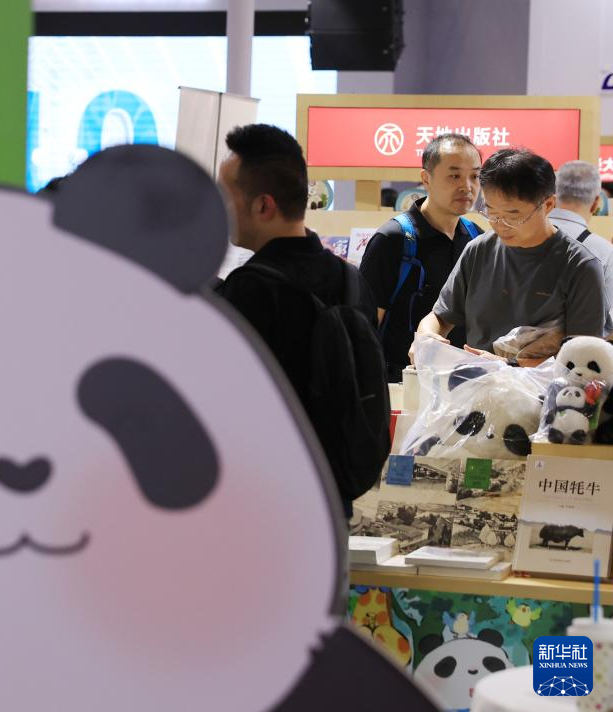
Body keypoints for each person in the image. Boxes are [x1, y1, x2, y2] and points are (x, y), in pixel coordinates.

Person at [214, 123, 385, 518]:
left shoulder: (250, 290)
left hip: (265, 507)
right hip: (334, 500)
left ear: (263, 206)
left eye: (225, 197)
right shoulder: (350, 280)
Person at [413, 149, 607, 365]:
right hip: (476, 383)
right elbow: (441, 317)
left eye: (513, 216)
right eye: (492, 213)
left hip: (544, 387)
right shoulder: (478, 250)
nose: (500, 226)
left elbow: (583, 360)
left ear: (548, 205)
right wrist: (426, 337)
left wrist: (506, 365)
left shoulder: (581, 266)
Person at [360, 133, 482, 381]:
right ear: (426, 179)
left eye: (475, 176)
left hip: (463, 384)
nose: (467, 186)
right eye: (454, 176)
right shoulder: (393, 239)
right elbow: (365, 327)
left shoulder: (476, 237)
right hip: (402, 384)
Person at [550, 160, 613, 335]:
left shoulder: (522, 237)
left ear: (553, 196)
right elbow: (606, 322)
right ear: (596, 203)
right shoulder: (604, 251)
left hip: (511, 347)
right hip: (577, 348)